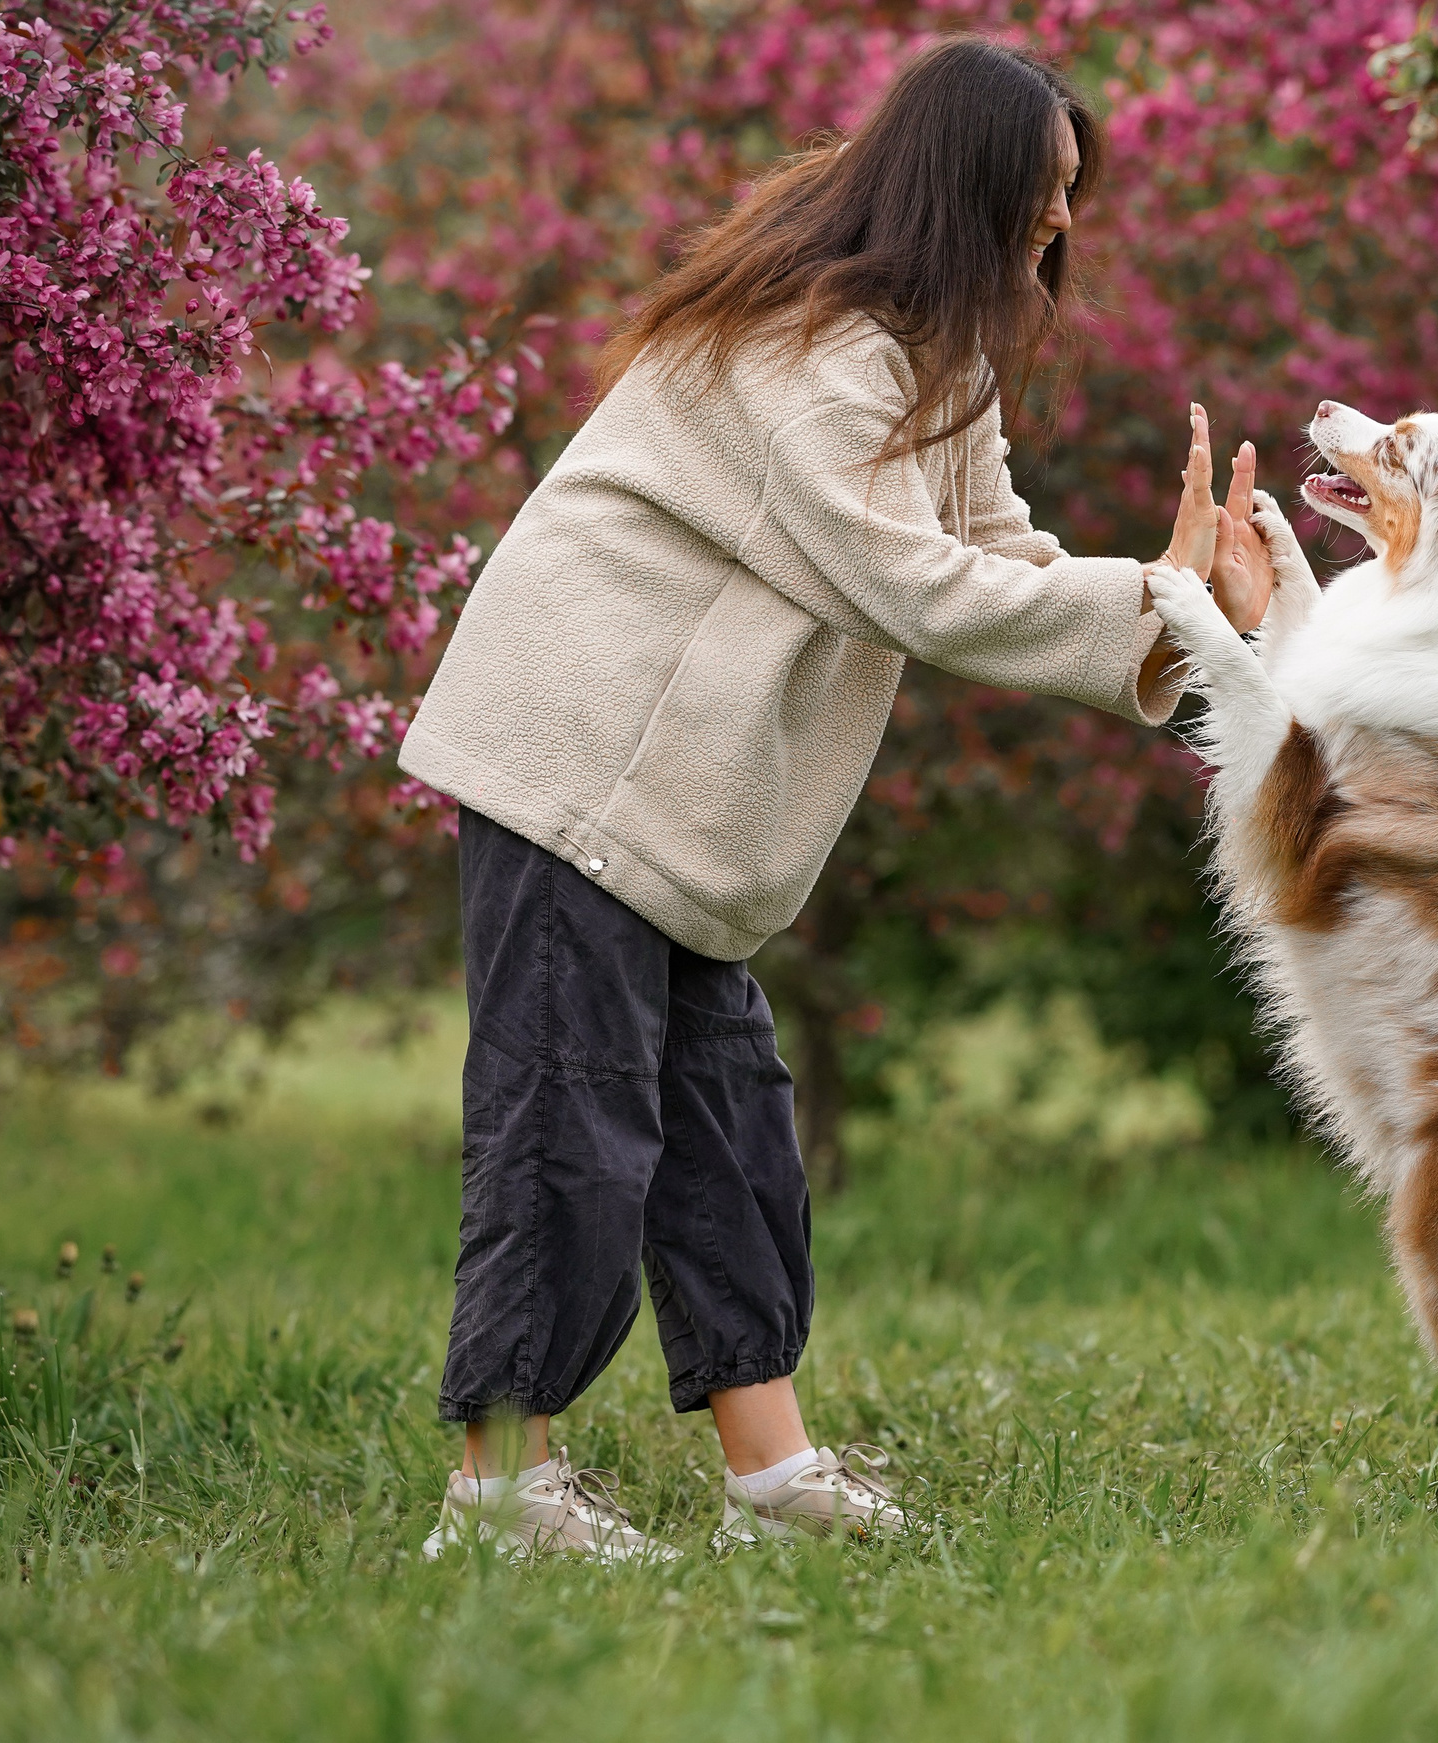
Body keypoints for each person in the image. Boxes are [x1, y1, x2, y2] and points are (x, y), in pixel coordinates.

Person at [397, 34, 1276, 1562]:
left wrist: (1185, 609)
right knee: (569, 1122)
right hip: (583, 754)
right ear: (966, 183)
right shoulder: (815, 343)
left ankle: (773, 1479)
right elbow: (906, 583)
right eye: (1046, 190)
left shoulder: (938, 364)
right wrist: (1160, 600)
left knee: (731, 1129)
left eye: (1073, 192)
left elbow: (994, 556)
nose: (1063, 221)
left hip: (681, 798)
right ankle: (500, 1496)